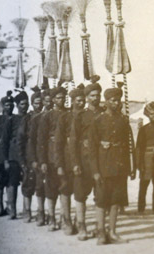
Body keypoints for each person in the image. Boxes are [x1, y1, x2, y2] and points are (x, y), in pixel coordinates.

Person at [89, 87, 136, 245]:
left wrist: (131, 167)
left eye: (118, 100)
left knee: (116, 200)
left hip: (120, 167)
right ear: (106, 101)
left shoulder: (123, 120)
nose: (116, 103)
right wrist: (95, 171)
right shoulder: (98, 120)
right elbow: (92, 148)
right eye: (112, 100)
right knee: (102, 201)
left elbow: (129, 145)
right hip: (104, 167)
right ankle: (101, 233)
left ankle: (113, 232)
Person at [70, 77, 103, 241]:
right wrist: (75, 163)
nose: (95, 98)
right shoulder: (80, 116)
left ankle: (99, 228)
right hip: (84, 160)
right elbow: (73, 142)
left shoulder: (105, 114)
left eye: (98, 95)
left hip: (102, 161)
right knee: (80, 194)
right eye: (92, 96)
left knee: (101, 194)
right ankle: (81, 226)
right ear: (87, 97)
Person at [55, 84, 85, 235]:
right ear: (72, 101)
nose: (82, 103)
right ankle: (66, 220)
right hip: (67, 160)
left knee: (81, 190)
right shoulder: (64, 117)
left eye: (83, 100)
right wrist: (59, 164)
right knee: (66, 188)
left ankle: (79, 222)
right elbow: (58, 143)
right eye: (78, 100)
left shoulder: (87, 117)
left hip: (83, 159)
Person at [37, 85, 68, 231]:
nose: (61, 100)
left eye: (63, 97)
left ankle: (64, 218)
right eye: (58, 98)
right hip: (50, 156)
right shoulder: (47, 116)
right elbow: (41, 140)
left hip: (65, 155)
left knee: (65, 187)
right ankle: (51, 218)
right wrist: (42, 160)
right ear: (53, 100)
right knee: (51, 188)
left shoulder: (69, 114)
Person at [0, 90, 30, 219]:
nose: (25, 106)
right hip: (13, 156)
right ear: (17, 105)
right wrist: (5, 159)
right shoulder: (12, 120)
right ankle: (12, 209)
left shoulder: (31, 117)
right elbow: (4, 141)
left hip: (28, 154)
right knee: (13, 182)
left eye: (26, 104)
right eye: (22, 104)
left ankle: (26, 209)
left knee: (28, 181)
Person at [136, 101, 154, 215]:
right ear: (147, 115)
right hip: (146, 159)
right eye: (152, 114)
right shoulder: (143, 129)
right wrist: (139, 163)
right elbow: (139, 147)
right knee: (144, 185)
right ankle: (141, 209)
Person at [19, 87, 43, 222]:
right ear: (32, 103)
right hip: (29, 152)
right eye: (36, 103)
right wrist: (22, 157)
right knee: (28, 182)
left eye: (40, 103)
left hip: (41, 152)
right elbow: (21, 138)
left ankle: (41, 211)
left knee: (40, 183)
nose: (38, 105)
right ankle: (27, 210)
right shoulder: (27, 118)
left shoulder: (45, 116)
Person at [29, 88, 52, 226]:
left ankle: (52, 213)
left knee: (53, 185)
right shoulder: (37, 118)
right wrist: (33, 159)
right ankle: (41, 212)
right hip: (40, 154)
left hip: (54, 154)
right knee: (40, 184)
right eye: (45, 101)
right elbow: (32, 140)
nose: (48, 103)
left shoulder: (57, 116)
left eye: (50, 101)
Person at [0, 91, 15, 217]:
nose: (10, 107)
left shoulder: (16, 118)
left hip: (12, 153)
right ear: (3, 106)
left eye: (11, 104)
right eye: (7, 105)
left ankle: (11, 207)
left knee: (12, 181)